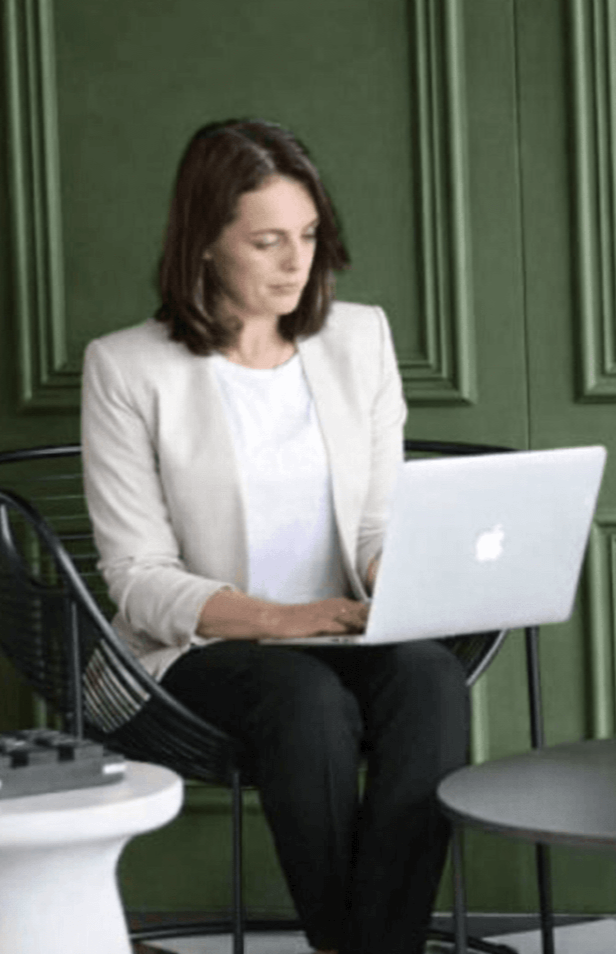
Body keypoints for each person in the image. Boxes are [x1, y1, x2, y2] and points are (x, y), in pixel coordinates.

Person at [81, 118, 469, 954]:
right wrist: (286, 619)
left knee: (432, 678)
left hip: (347, 629)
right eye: (268, 242)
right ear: (206, 245)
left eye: (309, 236)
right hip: (202, 652)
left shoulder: (358, 340)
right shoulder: (127, 368)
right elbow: (138, 577)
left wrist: (396, 570)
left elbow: (374, 518)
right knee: (303, 699)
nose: (300, 264)